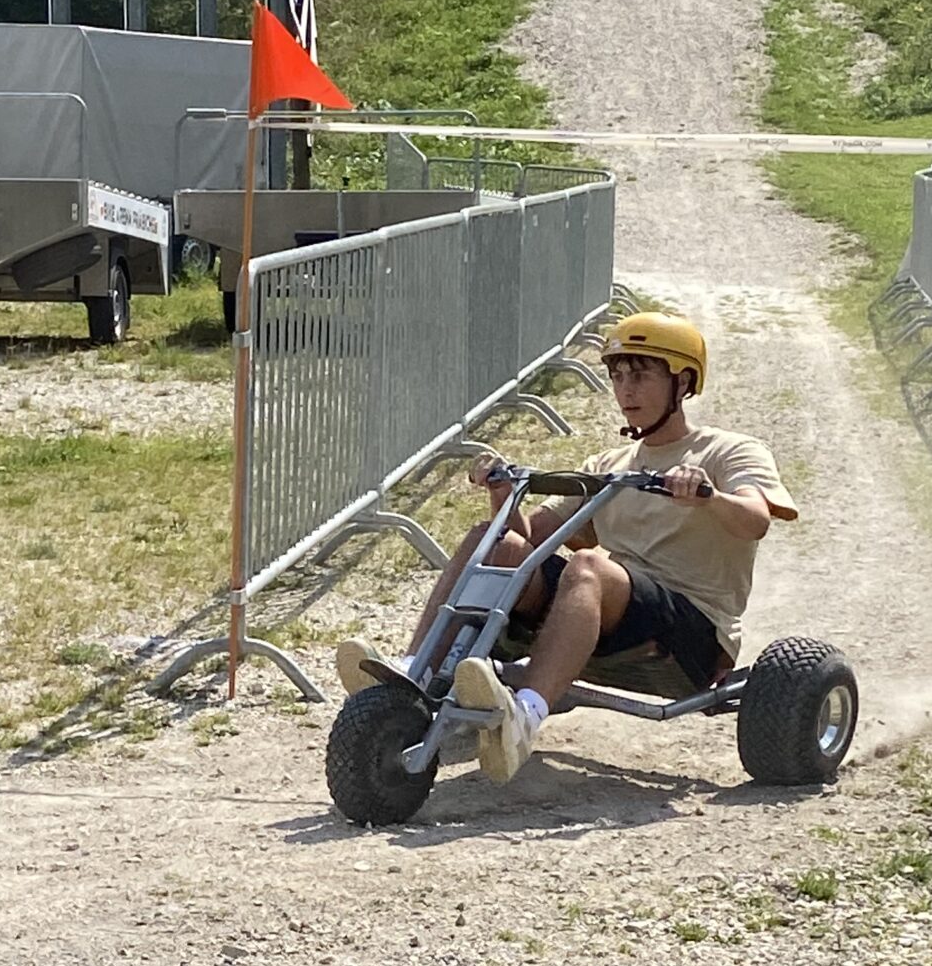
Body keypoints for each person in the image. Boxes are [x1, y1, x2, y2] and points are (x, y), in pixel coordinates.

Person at [336, 311, 797, 780]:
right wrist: (501, 494)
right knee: (492, 541)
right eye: (617, 376)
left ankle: (526, 715)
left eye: (640, 375)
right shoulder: (609, 464)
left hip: (690, 636)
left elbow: (755, 520)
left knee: (587, 565)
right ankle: (415, 674)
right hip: (608, 617)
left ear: (683, 382)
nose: (626, 390)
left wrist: (707, 495)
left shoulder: (729, 451)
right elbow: (529, 540)